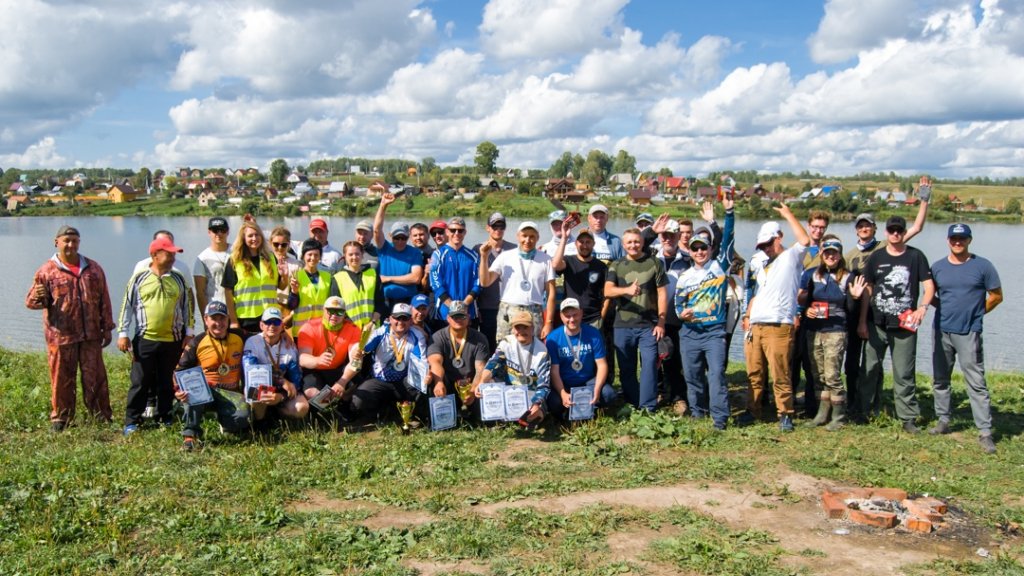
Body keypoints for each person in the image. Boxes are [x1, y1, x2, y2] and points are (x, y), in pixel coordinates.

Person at [844, 187, 929, 419]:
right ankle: (859, 406)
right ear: (856, 229)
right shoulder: (849, 255)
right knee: (861, 366)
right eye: (860, 225)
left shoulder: (886, 246)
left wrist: (924, 201)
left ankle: (888, 409)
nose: (864, 228)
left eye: (868, 225)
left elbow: (917, 228)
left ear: (875, 229)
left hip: (892, 317)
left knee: (889, 368)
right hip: (861, 314)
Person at [26, 225, 115, 431]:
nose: (70, 245)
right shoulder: (46, 271)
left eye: (74, 240)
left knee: (96, 377)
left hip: (91, 335)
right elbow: (31, 302)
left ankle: (101, 417)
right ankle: (61, 419)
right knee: (62, 378)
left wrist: (107, 327)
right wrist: (37, 296)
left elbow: (104, 300)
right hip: (61, 337)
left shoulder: (93, 269)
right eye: (66, 240)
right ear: (56, 242)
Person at [857, 215, 935, 433]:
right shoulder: (876, 257)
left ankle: (907, 417)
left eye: (899, 230)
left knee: (904, 373)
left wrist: (923, 308)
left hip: (905, 327)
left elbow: (929, 286)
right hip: (876, 324)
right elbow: (868, 290)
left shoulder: (915, 256)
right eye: (891, 230)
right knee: (869, 369)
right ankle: (864, 410)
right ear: (885, 233)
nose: (895, 234)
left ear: (903, 232)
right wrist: (863, 321)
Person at [929, 223, 1002, 453]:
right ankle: (943, 420)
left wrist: (977, 312)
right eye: (954, 239)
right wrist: (944, 309)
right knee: (941, 379)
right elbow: (930, 295)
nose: (957, 242)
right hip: (941, 330)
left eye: (962, 238)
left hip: (969, 331)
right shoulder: (938, 267)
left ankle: (985, 431)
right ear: (948, 240)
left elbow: (997, 296)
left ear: (969, 240)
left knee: (976, 382)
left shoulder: (983, 266)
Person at [118, 235, 196, 435]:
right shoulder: (139, 278)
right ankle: (132, 421)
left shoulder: (178, 278)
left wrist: (189, 333)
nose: (172, 258)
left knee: (166, 381)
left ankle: (165, 415)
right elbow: (127, 306)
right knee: (140, 381)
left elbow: (187, 307)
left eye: (173, 254)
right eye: (168, 254)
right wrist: (123, 333)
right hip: (145, 339)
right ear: (154, 255)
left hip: (173, 340)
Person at [743, 203, 810, 431]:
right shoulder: (763, 265)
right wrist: (748, 315)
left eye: (768, 244)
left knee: (780, 373)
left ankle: (785, 414)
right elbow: (758, 294)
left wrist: (788, 214)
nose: (766, 249)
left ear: (778, 238)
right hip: (756, 326)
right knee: (754, 372)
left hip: (779, 326)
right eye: (762, 246)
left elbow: (806, 241)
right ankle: (753, 410)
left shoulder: (791, 258)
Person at [674, 197, 735, 430]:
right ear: (689, 251)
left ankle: (720, 419)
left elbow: (728, 239)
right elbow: (678, 305)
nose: (699, 251)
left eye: (703, 247)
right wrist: (682, 315)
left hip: (714, 332)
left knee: (717, 375)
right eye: (695, 248)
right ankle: (698, 412)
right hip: (689, 332)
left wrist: (726, 214)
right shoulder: (685, 276)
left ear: (710, 249)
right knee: (692, 376)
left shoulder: (719, 267)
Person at [797, 236, 865, 430]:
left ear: (840, 254)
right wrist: (807, 309)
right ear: (821, 254)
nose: (831, 256)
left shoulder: (848, 277)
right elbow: (804, 301)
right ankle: (821, 413)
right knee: (818, 374)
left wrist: (855, 297)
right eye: (827, 252)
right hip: (814, 330)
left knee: (832, 375)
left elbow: (852, 310)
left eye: (834, 252)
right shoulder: (811, 274)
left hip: (836, 331)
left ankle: (838, 417)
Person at [332, 303, 431, 423]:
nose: (401, 322)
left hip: (403, 380)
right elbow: (362, 346)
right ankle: (380, 411)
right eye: (397, 317)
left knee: (421, 384)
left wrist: (426, 375)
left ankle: (410, 414)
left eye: (405, 318)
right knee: (359, 402)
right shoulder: (380, 332)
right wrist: (357, 351)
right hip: (379, 380)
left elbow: (421, 360)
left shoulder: (417, 335)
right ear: (390, 318)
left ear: (410, 321)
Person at [606, 228, 669, 413]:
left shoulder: (654, 263)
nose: (633, 245)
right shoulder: (616, 265)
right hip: (622, 324)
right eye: (629, 242)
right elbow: (607, 291)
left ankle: (648, 406)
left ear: (642, 242)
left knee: (649, 364)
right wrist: (625, 290)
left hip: (648, 325)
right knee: (626, 367)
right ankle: (633, 402)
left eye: (636, 241)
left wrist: (661, 322)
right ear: (623, 245)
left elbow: (662, 293)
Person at [173, 301, 249, 451]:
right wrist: (178, 390)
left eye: (222, 318)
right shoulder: (197, 342)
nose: (219, 323)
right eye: (214, 319)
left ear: (228, 319)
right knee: (194, 391)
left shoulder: (240, 336)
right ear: (206, 319)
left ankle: (224, 421)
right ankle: (190, 436)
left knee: (243, 418)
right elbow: (179, 371)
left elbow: (264, 337)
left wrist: (284, 337)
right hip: (206, 391)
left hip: (231, 392)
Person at [479, 221, 556, 342]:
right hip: (508, 310)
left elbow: (551, 294)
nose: (527, 240)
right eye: (524, 235)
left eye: (532, 236)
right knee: (505, 352)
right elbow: (485, 282)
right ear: (517, 236)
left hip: (534, 311)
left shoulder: (545, 259)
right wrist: (484, 257)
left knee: (532, 352)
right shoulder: (505, 256)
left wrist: (549, 322)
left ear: (538, 238)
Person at [474, 310, 551, 426]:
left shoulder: (542, 351)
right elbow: (493, 364)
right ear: (512, 329)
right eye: (517, 328)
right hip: (510, 391)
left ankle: (532, 415)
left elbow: (544, 386)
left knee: (536, 414)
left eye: (525, 327)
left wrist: (536, 404)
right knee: (488, 384)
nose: (521, 331)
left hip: (531, 393)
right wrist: (481, 382)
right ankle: (500, 417)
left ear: (532, 328)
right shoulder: (506, 342)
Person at [545, 299, 615, 419]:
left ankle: (591, 408)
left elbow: (602, 365)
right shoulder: (553, 338)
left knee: (609, 394)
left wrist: (597, 389)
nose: (572, 319)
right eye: (567, 316)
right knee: (554, 403)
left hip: (588, 381)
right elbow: (554, 371)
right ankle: (566, 412)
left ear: (581, 313)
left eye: (575, 315)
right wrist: (562, 393)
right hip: (565, 383)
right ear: (561, 316)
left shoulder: (593, 333)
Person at [792, 210, 831, 418]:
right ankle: (787, 402)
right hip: (796, 312)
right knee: (792, 360)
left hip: (816, 314)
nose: (817, 230)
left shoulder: (828, 251)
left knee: (811, 362)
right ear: (808, 226)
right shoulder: (798, 249)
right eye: (814, 226)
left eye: (821, 227)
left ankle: (810, 406)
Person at [242, 307, 310, 422]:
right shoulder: (252, 342)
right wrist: (282, 381)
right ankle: (261, 422)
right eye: (268, 322)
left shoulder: (290, 347)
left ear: (282, 326)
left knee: (302, 408)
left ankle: (277, 413)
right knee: (256, 393)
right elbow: (251, 373)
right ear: (261, 325)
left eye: (276, 322)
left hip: (280, 390)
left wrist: (280, 396)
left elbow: (296, 381)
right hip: (259, 384)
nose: (272, 326)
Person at [222, 218, 285, 336]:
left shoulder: (271, 258)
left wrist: (284, 276)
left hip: (269, 316)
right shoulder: (235, 260)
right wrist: (234, 321)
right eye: (250, 236)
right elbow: (228, 292)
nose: (254, 239)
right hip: (246, 318)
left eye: (257, 235)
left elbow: (280, 287)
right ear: (243, 238)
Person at [655, 218, 690, 415]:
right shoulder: (651, 258)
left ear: (679, 236)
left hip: (677, 319)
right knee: (652, 360)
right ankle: (658, 392)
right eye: (664, 235)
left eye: (671, 235)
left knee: (675, 361)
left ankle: (678, 397)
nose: (668, 239)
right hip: (654, 318)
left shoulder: (687, 260)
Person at [427, 300, 490, 410]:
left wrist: (472, 390)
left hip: (470, 384)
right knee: (431, 378)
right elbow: (435, 362)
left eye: (462, 316)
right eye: (455, 316)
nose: (459, 320)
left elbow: (480, 369)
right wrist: (439, 382)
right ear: (448, 318)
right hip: (447, 384)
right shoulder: (437, 337)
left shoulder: (480, 338)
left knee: (486, 382)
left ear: (468, 317)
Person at [297, 296, 362, 400]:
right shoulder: (309, 327)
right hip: (315, 370)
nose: (334, 316)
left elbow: (356, 361)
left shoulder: (353, 329)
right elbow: (302, 358)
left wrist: (342, 382)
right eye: (330, 311)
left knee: (358, 386)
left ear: (345, 313)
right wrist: (318, 360)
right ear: (323, 310)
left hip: (338, 369)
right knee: (312, 393)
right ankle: (330, 410)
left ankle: (342, 403)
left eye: (339, 312)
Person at [373, 194, 424, 310]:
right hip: (385, 301)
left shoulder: (415, 253)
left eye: (403, 238)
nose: (400, 241)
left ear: (408, 237)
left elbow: (415, 278)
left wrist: (388, 278)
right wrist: (383, 205)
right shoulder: (384, 248)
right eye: (397, 238)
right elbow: (376, 230)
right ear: (390, 236)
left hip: (408, 301)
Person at [429, 216, 481, 329]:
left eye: (460, 230)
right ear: (447, 231)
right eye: (453, 230)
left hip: (468, 313)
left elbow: (478, 284)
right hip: (444, 314)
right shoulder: (437, 255)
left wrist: (464, 305)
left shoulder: (474, 256)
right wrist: (452, 306)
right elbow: (435, 284)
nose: (457, 233)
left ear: (465, 232)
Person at [473, 212, 516, 349]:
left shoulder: (514, 249)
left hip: (509, 306)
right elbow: (474, 280)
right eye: (494, 226)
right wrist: (476, 306)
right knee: (488, 344)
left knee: (509, 344)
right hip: (486, 307)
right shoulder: (477, 249)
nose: (498, 229)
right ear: (487, 228)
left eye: (501, 226)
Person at [552, 226, 608, 328]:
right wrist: (564, 238)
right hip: (571, 318)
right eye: (581, 242)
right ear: (576, 244)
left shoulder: (601, 266)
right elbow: (555, 265)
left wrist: (602, 317)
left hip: (593, 319)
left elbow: (606, 295)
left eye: (588, 242)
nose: (584, 245)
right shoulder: (569, 261)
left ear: (593, 244)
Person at [287, 239, 337, 337]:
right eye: (309, 254)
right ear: (303, 256)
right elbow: (291, 306)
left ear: (320, 257)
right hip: (301, 330)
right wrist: (294, 292)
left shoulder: (327, 277)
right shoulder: (296, 276)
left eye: (316, 255)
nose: (313, 258)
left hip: (322, 329)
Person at [330, 240, 383, 329]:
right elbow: (336, 308)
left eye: (357, 254)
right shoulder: (337, 278)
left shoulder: (372, 274)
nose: (354, 257)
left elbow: (380, 303)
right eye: (350, 254)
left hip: (372, 329)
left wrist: (372, 322)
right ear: (345, 257)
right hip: (349, 329)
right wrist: (351, 326)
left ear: (362, 255)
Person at [194, 216, 231, 316]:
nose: (219, 234)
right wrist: (205, 319)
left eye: (222, 230)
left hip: (238, 309)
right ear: (209, 232)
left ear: (228, 232)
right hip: (215, 311)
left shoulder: (237, 252)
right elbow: (200, 293)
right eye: (215, 230)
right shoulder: (202, 258)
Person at [269, 226, 301, 326]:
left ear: (289, 245)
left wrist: (290, 316)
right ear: (270, 243)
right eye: (276, 244)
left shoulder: (297, 265)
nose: (279, 248)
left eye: (283, 245)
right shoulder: (264, 262)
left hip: (288, 313)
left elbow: (300, 294)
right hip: (267, 311)